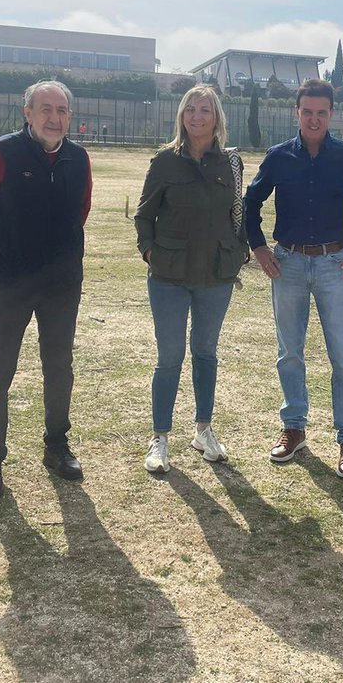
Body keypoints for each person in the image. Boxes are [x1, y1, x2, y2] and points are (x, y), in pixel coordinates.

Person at [0, 80, 92, 499]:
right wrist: (9, 256)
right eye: (46, 109)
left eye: (62, 111)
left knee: (59, 367)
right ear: (28, 114)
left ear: (70, 117)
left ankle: (56, 445)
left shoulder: (78, 158)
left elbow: (80, 213)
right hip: (8, 284)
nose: (55, 118)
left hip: (61, 284)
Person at [244, 79, 343, 479]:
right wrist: (259, 247)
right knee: (290, 352)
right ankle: (294, 427)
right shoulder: (278, 156)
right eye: (307, 112)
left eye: (321, 112)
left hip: (335, 263)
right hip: (287, 264)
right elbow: (251, 203)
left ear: (331, 114)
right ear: (296, 113)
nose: (314, 118)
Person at [134, 86, 248, 473]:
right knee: (169, 357)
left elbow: (239, 213)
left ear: (217, 117)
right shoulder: (165, 161)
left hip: (216, 274)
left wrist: (239, 254)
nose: (197, 117)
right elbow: (144, 216)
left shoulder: (230, 163)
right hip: (168, 275)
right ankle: (160, 438)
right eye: (190, 110)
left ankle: (203, 430)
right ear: (181, 116)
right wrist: (149, 251)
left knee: (206, 353)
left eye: (205, 110)